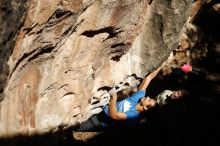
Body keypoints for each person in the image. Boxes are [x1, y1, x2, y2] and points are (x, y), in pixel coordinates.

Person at [75, 64, 187, 131]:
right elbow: (148, 79)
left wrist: (113, 98)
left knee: (72, 131)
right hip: (98, 110)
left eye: (149, 100)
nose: (148, 97)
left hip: (97, 123)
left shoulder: (134, 117)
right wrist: (162, 63)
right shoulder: (139, 97)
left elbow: (113, 115)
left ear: (146, 108)